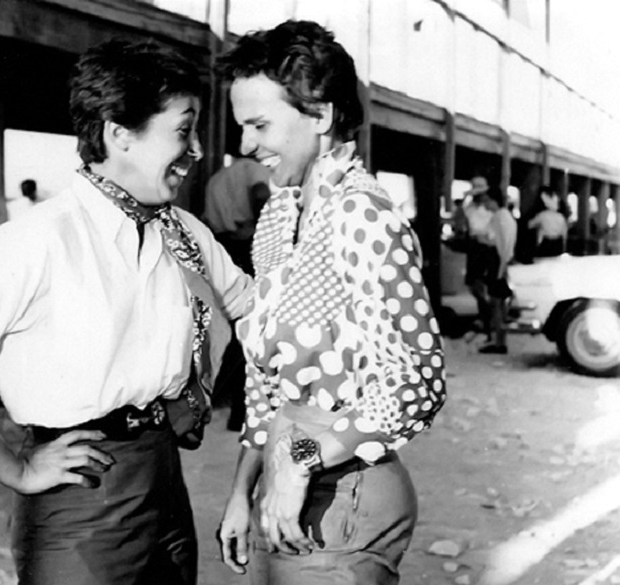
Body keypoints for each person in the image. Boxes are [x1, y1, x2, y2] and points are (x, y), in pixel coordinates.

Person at [0, 39, 252, 585]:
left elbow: (258, 314)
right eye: (183, 130)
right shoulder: (42, 239)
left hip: (162, 473)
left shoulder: (184, 234)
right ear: (119, 134)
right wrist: (15, 469)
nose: (198, 150)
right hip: (82, 490)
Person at [215, 21, 447, 584]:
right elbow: (265, 383)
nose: (245, 145)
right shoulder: (280, 214)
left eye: (260, 125)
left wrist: (300, 464)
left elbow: (418, 380)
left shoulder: (361, 215)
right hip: (290, 476)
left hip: (344, 491)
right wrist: (244, 489)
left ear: (320, 115)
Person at [204, 156, 271, 431]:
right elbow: (260, 194)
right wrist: (267, 226)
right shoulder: (255, 170)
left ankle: (220, 399)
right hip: (246, 247)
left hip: (223, 247)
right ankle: (240, 412)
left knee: (230, 328)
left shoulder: (217, 178)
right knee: (253, 329)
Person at [479, 186, 518, 355]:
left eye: (487, 200)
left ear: (494, 201)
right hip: (504, 260)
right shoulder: (507, 216)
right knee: (501, 303)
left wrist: (501, 267)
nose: (485, 203)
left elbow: (496, 241)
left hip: (497, 261)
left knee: (496, 303)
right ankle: (500, 340)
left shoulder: (498, 218)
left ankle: (498, 342)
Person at [462, 176, 495, 334]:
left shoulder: (490, 208)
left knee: (480, 284)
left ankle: (488, 318)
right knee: (475, 285)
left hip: (485, 246)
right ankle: (486, 317)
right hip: (476, 245)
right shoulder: (471, 207)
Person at [527, 185, 567, 258]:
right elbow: (564, 234)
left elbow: (529, 225)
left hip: (545, 244)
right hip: (558, 245)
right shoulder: (561, 217)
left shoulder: (542, 215)